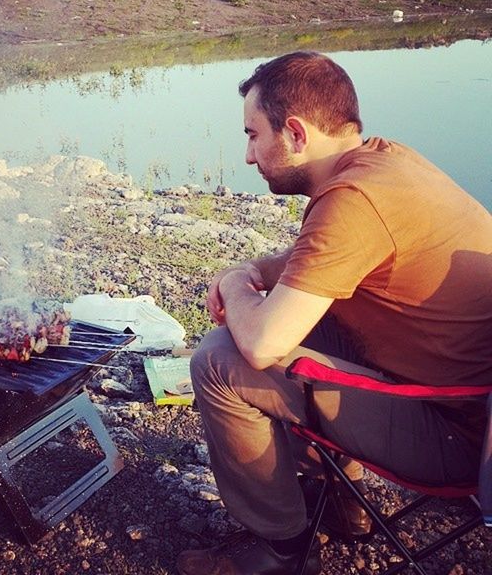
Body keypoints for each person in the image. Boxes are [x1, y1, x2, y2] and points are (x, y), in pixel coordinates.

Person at [176, 51, 492, 575]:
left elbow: (261, 344)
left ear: (296, 134)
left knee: (222, 357)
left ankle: (282, 548)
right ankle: (341, 504)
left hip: (457, 433)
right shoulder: (386, 162)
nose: (250, 157)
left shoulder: (353, 200)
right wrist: (256, 269)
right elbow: (323, 260)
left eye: (253, 135)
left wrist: (235, 284)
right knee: (294, 320)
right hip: (458, 395)